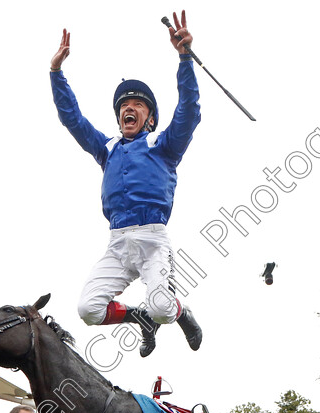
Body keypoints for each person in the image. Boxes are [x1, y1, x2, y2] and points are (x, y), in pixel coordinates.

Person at [49, 10, 204, 357]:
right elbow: (72, 119)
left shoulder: (163, 145)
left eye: (137, 105)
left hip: (152, 239)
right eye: (124, 106)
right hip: (117, 243)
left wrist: (184, 58)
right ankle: (139, 318)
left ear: (149, 119)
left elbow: (189, 112)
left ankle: (182, 312)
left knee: (164, 309)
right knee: (88, 310)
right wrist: (56, 72)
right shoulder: (107, 148)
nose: (128, 109)